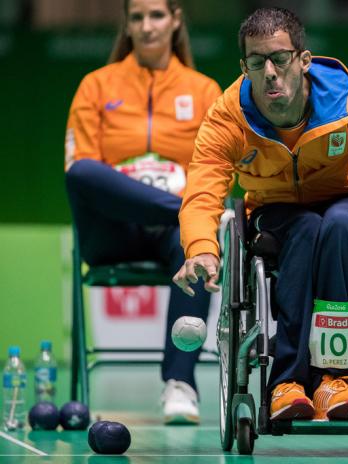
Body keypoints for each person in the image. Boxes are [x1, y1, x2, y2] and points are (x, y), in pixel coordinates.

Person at [173, 7, 348, 422]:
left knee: (339, 225)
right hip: (276, 212)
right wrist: (201, 248)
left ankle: (337, 381)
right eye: (257, 61)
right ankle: (286, 383)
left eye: (280, 58)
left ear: (303, 60)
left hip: (345, 199)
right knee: (306, 227)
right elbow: (202, 190)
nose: (270, 71)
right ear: (245, 67)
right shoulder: (227, 117)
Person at [64, 0, 222, 425]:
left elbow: (215, 169)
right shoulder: (96, 85)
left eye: (156, 15)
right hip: (112, 229)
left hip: (173, 234)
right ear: (127, 26)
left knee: (193, 245)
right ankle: (183, 213)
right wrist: (188, 209)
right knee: (81, 172)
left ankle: (180, 384)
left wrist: (192, 217)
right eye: (137, 17)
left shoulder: (205, 90)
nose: (147, 26)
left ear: (175, 19)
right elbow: (81, 166)